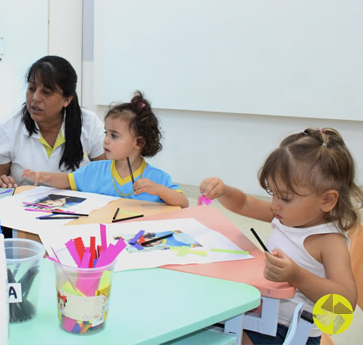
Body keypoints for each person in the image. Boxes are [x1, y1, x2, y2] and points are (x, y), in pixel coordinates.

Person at [200, 128, 362, 345]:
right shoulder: (286, 216)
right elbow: (244, 204)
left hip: (291, 333)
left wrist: (297, 276)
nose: (275, 204)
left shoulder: (329, 241)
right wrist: (224, 191)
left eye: (285, 197)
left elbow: (345, 301)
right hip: (262, 316)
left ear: (327, 200)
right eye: (272, 193)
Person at [22, 92, 188, 207]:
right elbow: (67, 181)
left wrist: (158, 189)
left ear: (139, 143)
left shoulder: (157, 177)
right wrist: (43, 176)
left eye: (114, 135)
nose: (106, 140)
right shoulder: (95, 170)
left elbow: (182, 202)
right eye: (106, 133)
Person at [0, 55, 106, 187]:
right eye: (31, 88)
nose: (35, 98)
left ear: (67, 100)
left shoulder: (89, 123)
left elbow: (108, 176)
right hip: (22, 205)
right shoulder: (7, 126)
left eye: (46, 92)